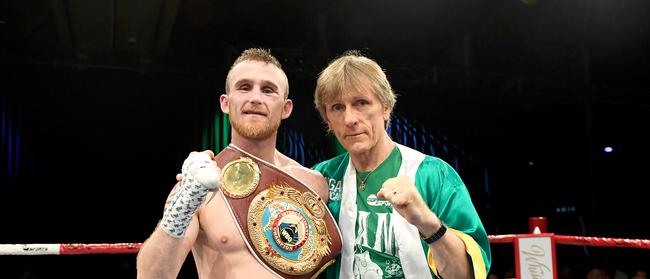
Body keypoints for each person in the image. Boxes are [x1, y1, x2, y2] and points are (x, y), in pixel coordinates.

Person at [136, 48, 336, 278]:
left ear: (285, 108)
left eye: (268, 90)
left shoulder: (314, 184)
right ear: (225, 103)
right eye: (244, 87)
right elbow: (151, 275)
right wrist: (184, 205)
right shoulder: (198, 185)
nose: (255, 98)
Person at [312, 50, 491, 279]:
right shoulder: (321, 178)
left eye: (361, 103)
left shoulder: (434, 176)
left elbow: (465, 275)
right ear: (328, 118)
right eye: (337, 107)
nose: (350, 119)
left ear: (386, 107)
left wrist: (428, 223)